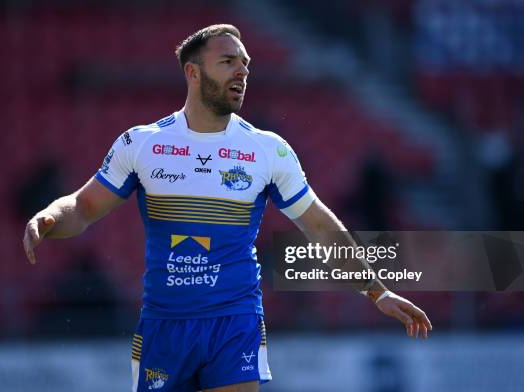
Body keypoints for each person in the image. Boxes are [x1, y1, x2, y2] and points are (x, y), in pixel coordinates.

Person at [23, 24, 432, 392]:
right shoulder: (141, 144)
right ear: (193, 73)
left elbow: (320, 225)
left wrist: (376, 290)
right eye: (228, 61)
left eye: (246, 64)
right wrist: (50, 218)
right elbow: (82, 206)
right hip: (165, 326)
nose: (242, 71)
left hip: (235, 321)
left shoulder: (267, 149)